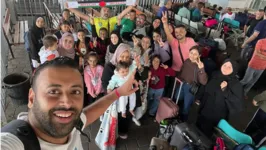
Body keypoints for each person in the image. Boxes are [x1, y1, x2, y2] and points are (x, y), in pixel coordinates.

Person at [0, 56, 139, 150]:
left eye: (75, 92)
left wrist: (118, 92)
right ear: (31, 98)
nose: (67, 103)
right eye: (53, 91)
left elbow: (87, 115)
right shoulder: (14, 143)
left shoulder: (73, 124)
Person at [102, 43, 149, 136]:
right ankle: (112, 133)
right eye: (122, 56)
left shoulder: (131, 65)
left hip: (130, 94)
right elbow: (105, 84)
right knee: (116, 115)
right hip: (116, 97)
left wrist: (139, 66)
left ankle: (123, 131)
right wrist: (121, 90)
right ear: (117, 54)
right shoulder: (109, 67)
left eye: (127, 57)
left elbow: (143, 77)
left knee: (126, 114)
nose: (125, 59)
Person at [196, 59, 244, 136]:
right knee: (198, 126)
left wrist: (225, 90)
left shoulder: (235, 84)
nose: (225, 68)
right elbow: (205, 86)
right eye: (225, 65)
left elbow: (238, 103)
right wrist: (199, 97)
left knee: (206, 133)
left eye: (229, 67)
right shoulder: (215, 74)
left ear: (234, 70)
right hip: (205, 107)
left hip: (216, 114)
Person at [176, 46, 208, 121]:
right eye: (191, 53)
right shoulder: (187, 61)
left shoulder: (200, 66)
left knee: (186, 107)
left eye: (195, 54)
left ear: (199, 56)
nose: (192, 56)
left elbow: (204, 81)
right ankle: (175, 114)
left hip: (190, 88)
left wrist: (201, 69)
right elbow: (182, 71)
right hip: (182, 84)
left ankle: (183, 121)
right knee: (177, 98)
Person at [68, 5, 135, 36]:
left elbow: (122, 14)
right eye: (104, 10)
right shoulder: (95, 20)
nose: (106, 12)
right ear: (100, 11)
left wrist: (132, 6)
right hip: (98, 43)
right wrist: (70, 8)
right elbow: (82, 15)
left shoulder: (112, 20)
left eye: (108, 11)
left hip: (108, 42)